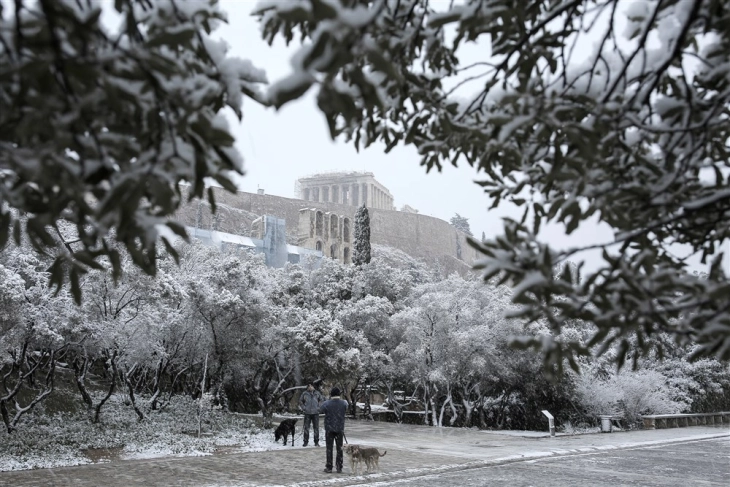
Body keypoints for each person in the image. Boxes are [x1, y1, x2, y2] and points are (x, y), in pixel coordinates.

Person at [319, 387, 348, 473]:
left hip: (329, 428)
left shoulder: (326, 404)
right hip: (339, 428)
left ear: (331, 394)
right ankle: (339, 466)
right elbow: (346, 408)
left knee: (329, 448)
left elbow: (321, 410)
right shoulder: (344, 403)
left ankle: (329, 466)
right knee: (340, 448)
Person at [298, 381, 324, 447]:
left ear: (313, 386)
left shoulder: (317, 393)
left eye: (311, 386)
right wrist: (304, 408)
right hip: (307, 413)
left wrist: (318, 408)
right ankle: (305, 442)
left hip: (315, 413)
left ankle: (316, 442)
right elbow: (300, 401)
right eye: (308, 386)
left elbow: (321, 400)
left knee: (316, 428)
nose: (310, 387)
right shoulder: (305, 393)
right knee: (306, 428)